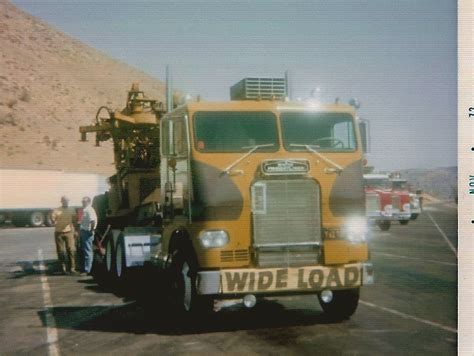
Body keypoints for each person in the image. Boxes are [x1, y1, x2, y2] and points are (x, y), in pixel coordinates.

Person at [51, 196, 77, 274]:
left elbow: (74, 220)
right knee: (61, 251)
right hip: (59, 233)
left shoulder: (72, 209)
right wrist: (53, 219)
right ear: (61, 201)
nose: (65, 202)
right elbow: (53, 220)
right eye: (64, 201)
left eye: (67, 201)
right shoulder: (56, 210)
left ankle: (72, 268)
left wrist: (75, 231)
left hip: (69, 232)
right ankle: (63, 268)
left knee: (71, 250)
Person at [79, 196, 97, 275]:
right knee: (86, 250)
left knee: (88, 251)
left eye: (84, 201)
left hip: (87, 232)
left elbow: (92, 221)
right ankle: (87, 268)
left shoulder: (89, 210)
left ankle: (88, 270)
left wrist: (91, 230)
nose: (83, 203)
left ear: (88, 202)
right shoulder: (86, 209)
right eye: (82, 201)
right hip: (84, 231)